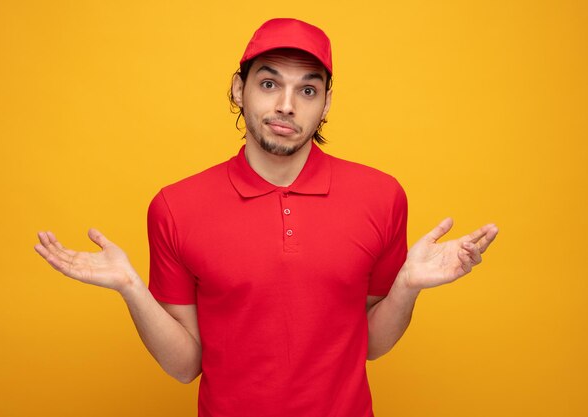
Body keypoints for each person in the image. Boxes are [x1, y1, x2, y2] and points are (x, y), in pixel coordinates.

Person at [34, 18, 498, 417]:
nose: (286, 106)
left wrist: (406, 287)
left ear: (327, 104)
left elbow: (371, 345)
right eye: (269, 83)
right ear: (240, 89)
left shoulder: (382, 196)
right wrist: (131, 289)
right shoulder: (176, 207)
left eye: (308, 89)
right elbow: (184, 366)